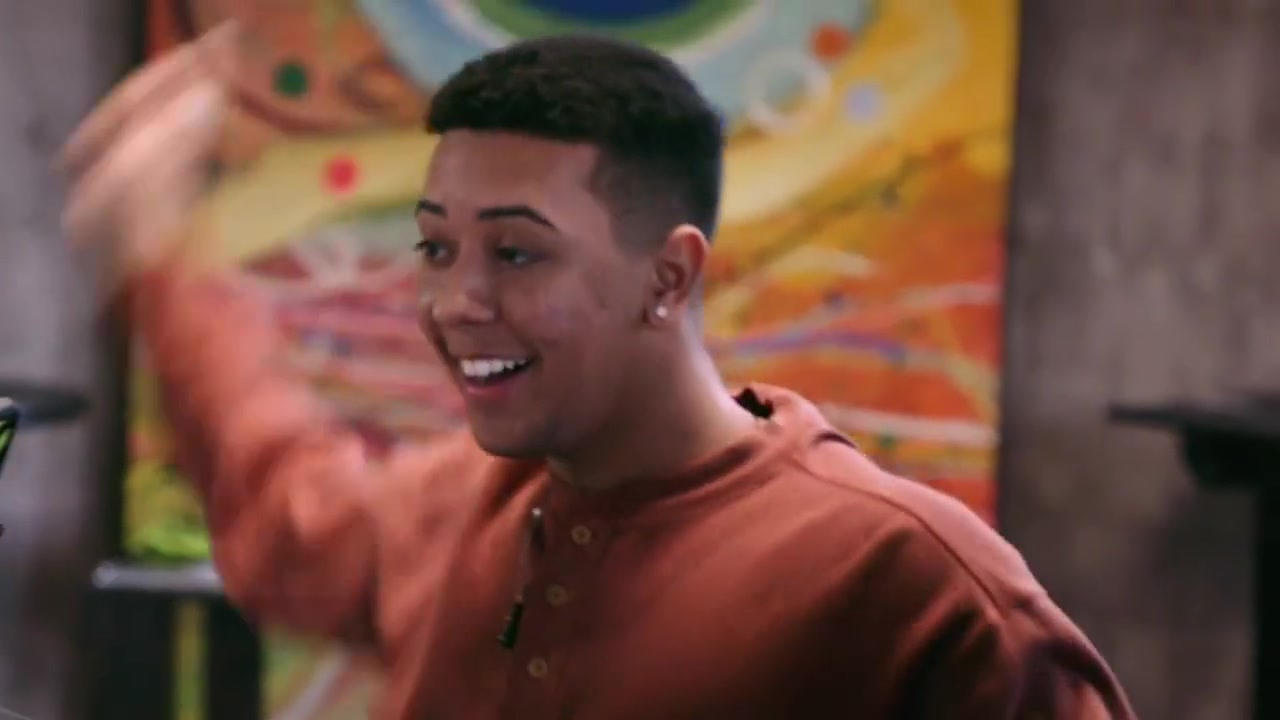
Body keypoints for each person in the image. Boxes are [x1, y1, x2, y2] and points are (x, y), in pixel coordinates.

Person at [62, 25, 1135, 720]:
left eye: (516, 253)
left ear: (668, 277)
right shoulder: (459, 504)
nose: (456, 301)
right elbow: (290, 516)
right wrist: (156, 263)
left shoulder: (909, 584)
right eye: (437, 246)